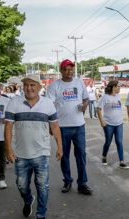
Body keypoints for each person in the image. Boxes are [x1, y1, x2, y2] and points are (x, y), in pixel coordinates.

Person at [5, 74, 63, 219]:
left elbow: (55, 127)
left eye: (32, 85)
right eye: (26, 85)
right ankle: (28, 199)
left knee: (42, 186)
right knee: (21, 184)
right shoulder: (14, 103)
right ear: (22, 87)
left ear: (39, 87)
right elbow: (8, 127)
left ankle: (41, 216)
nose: (29, 88)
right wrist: (8, 148)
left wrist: (60, 146)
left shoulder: (48, 104)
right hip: (20, 154)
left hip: (42, 153)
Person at [47, 59, 92, 194]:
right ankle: (67, 181)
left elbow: (86, 98)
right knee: (64, 155)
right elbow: (49, 106)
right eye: (66, 69)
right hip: (62, 127)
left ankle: (82, 183)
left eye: (71, 69)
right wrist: (51, 124)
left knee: (81, 155)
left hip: (79, 126)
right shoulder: (54, 85)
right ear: (61, 71)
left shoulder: (79, 82)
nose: (69, 72)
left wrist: (85, 105)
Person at [97, 80, 129, 169]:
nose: (119, 88)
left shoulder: (118, 97)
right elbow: (98, 109)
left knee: (119, 142)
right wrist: (102, 122)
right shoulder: (105, 97)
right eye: (118, 86)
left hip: (119, 123)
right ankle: (104, 156)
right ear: (113, 87)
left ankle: (121, 161)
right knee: (108, 142)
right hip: (109, 124)